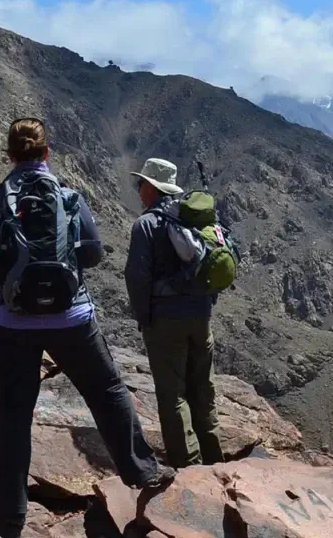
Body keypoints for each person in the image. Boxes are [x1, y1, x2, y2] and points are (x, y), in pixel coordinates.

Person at [0, 118, 175, 536]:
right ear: (47, 153)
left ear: (9, 154)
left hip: (8, 323)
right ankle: (143, 471)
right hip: (70, 319)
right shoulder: (70, 197)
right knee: (107, 391)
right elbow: (92, 255)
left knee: (12, 414)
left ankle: (10, 514)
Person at [124, 158, 225, 468]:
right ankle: (215, 461)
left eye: (141, 183)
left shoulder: (146, 225)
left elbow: (136, 278)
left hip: (166, 321)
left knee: (173, 395)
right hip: (201, 315)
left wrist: (145, 318)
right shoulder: (193, 220)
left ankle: (189, 469)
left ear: (152, 188)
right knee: (202, 388)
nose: (138, 189)